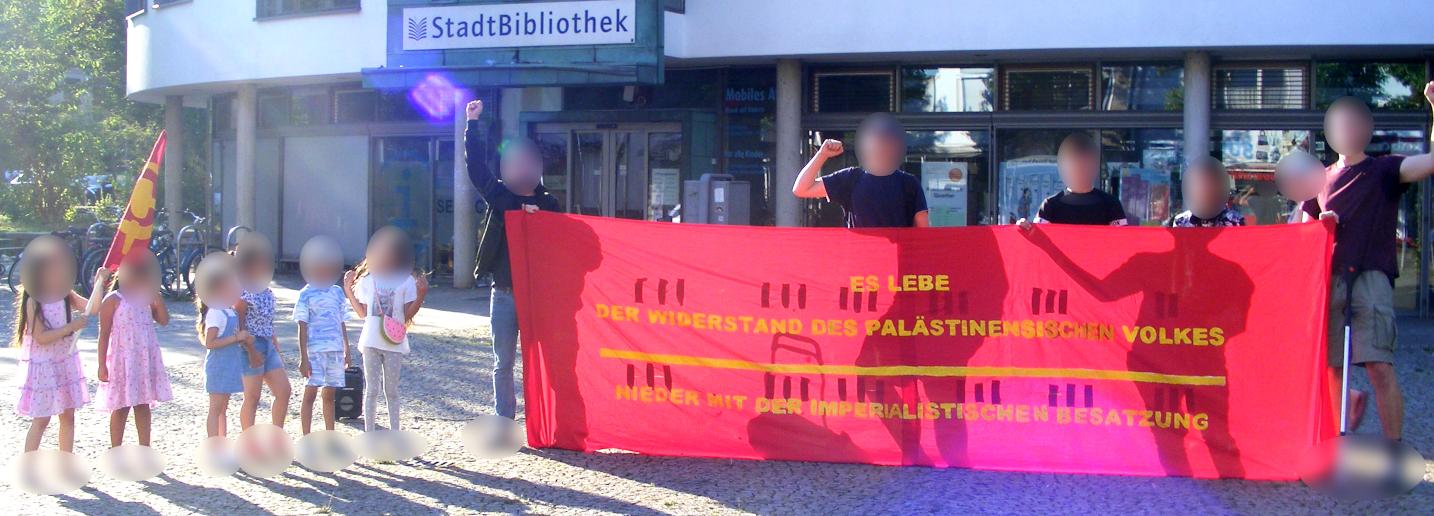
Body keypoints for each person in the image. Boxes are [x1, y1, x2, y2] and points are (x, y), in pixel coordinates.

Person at [1302, 84, 1434, 441]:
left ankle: (1393, 450)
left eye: (1352, 124)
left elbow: (1431, 162)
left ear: (1365, 129)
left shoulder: (1384, 170)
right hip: (1330, 281)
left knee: (1379, 366)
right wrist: (1319, 223)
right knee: (1331, 368)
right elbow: (1300, 228)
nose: (1346, 132)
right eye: (1339, 126)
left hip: (1370, 279)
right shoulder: (1320, 178)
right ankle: (1334, 444)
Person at [464, 99, 560, 419]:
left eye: (527, 163)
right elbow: (476, 169)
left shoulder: (550, 204)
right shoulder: (501, 196)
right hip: (504, 293)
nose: (522, 169)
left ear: (537, 167)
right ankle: (504, 418)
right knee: (502, 363)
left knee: (541, 360)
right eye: (514, 163)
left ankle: (542, 419)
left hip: (540, 296)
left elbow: (568, 245)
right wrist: (472, 124)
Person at [342, 226, 428, 432]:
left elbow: (407, 315)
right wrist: (348, 290)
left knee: (392, 390)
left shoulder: (405, 281)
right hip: (371, 340)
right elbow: (362, 313)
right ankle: (369, 434)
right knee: (371, 390)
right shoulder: (367, 281)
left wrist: (422, 293)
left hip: (393, 340)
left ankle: (395, 433)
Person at [13, 236, 90, 453]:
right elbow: (41, 337)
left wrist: (101, 281)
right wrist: (71, 327)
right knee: (42, 419)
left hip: (64, 361)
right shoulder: (33, 301)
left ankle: (65, 463)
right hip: (45, 366)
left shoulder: (65, 293)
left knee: (68, 416)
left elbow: (92, 307)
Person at [791, 112, 930, 228]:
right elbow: (801, 189)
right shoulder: (851, 178)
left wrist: (823, 155)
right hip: (884, 258)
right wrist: (822, 154)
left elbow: (801, 189)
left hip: (870, 258)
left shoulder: (852, 178)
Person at [93, 249, 173, 448]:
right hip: (122, 361)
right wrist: (101, 365)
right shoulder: (113, 300)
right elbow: (103, 335)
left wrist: (158, 298)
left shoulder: (148, 297)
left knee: (142, 405)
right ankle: (115, 449)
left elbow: (164, 320)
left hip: (143, 360)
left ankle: (145, 448)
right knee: (120, 407)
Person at [194, 252, 256, 439]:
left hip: (230, 365)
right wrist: (237, 338)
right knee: (216, 408)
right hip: (219, 366)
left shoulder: (228, 311)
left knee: (223, 408)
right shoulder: (215, 312)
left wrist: (244, 339)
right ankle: (214, 445)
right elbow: (210, 342)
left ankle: (222, 441)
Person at [294, 236, 352, 435]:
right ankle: (306, 437)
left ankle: (330, 436)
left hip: (335, 350)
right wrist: (303, 357)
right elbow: (302, 325)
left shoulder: (337, 292)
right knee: (310, 393)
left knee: (329, 394)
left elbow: (342, 322)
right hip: (315, 351)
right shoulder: (305, 294)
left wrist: (347, 350)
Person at [234, 233, 291, 430]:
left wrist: (274, 343)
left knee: (284, 391)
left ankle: (277, 437)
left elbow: (268, 321)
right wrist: (251, 351)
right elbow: (239, 328)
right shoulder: (241, 292)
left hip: (267, 344)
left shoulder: (265, 289)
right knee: (252, 397)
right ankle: (248, 444)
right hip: (250, 345)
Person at [1018, 132, 1127, 228]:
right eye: (1076, 165)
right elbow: (1037, 237)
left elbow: (1122, 239)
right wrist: (1023, 229)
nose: (1081, 169)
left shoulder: (1111, 204)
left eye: (1085, 164)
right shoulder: (1050, 205)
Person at [1167, 156, 1245, 227]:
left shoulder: (1234, 220)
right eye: (1200, 184)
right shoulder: (1181, 221)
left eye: (1210, 184)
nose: (1204, 190)